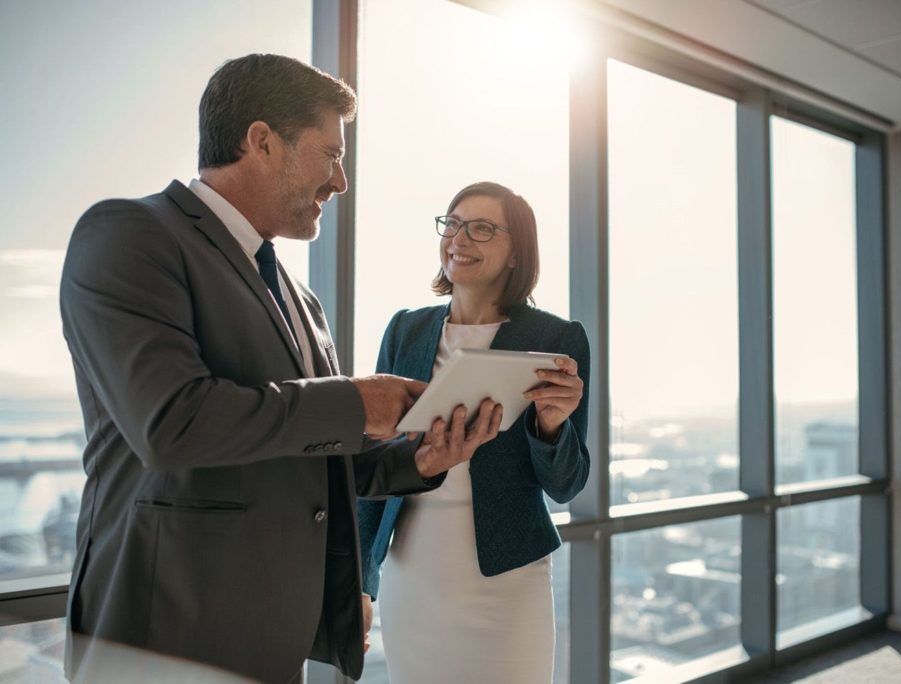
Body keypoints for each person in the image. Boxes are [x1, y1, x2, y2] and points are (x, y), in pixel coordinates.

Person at [58, 54, 500, 684]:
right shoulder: (129, 234)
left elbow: (313, 456)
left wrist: (420, 459)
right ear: (261, 141)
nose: (340, 181)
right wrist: (356, 400)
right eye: (330, 154)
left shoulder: (301, 298)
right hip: (159, 642)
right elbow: (171, 423)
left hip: (274, 647)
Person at [357, 182, 590, 683]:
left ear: (515, 253)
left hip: (507, 579)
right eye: (453, 223)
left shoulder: (555, 339)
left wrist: (551, 427)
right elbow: (372, 465)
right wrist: (359, 581)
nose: (460, 238)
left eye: (482, 228)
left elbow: (567, 486)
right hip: (411, 573)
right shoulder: (406, 330)